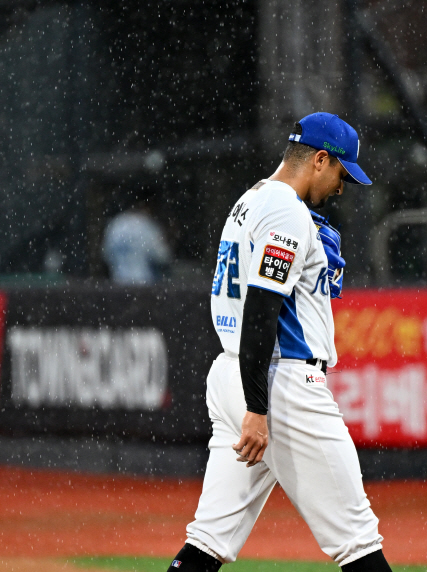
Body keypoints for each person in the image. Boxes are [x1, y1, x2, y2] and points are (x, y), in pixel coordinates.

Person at [167, 113, 392, 572]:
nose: (342, 186)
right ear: (320, 160)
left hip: (233, 374)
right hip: (280, 382)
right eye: (341, 173)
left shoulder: (249, 199)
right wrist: (258, 407)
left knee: (208, 539)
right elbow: (261, 310)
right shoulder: (287, 210)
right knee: (358, 541)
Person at [102, 195, 171, 285]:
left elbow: (105, 255)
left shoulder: (116, 224)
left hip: (118, 284)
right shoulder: (146, 225)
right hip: (144, 285)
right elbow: (163, 256)